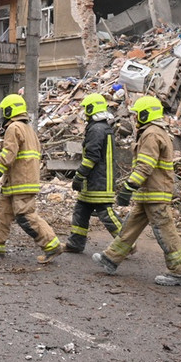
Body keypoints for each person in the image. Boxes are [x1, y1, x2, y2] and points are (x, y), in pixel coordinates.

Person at [92, 95, 181, 287]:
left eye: (137, 115)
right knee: (130, 226)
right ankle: (111, 258)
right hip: (148, 192)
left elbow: (145, 165)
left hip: (155, 192)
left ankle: (178, 272)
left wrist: (129, 187)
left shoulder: (151, 134)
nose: (135, 119)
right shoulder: (152, 132)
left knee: (164, 231)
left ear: (146, 114)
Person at [0, 94, 63, 263]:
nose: (3, 115)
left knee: (25, 216)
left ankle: (51, 245)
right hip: (17, 182)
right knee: (1, 214)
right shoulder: (28, 130)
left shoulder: (14, 128)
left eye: (4, 111)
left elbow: (8, 155)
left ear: (10, 110)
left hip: (20, 182)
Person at [64, 93, 123, 253]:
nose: (83, 112)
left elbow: (91, 157)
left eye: (85, 108)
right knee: (81, 209)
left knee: (106, 213)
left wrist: (79, 175)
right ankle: (75, 243)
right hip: (96, 179)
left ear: (91, 109)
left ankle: (126, 243)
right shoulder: (101, 127)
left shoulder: (96, 129)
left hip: (98, 180)